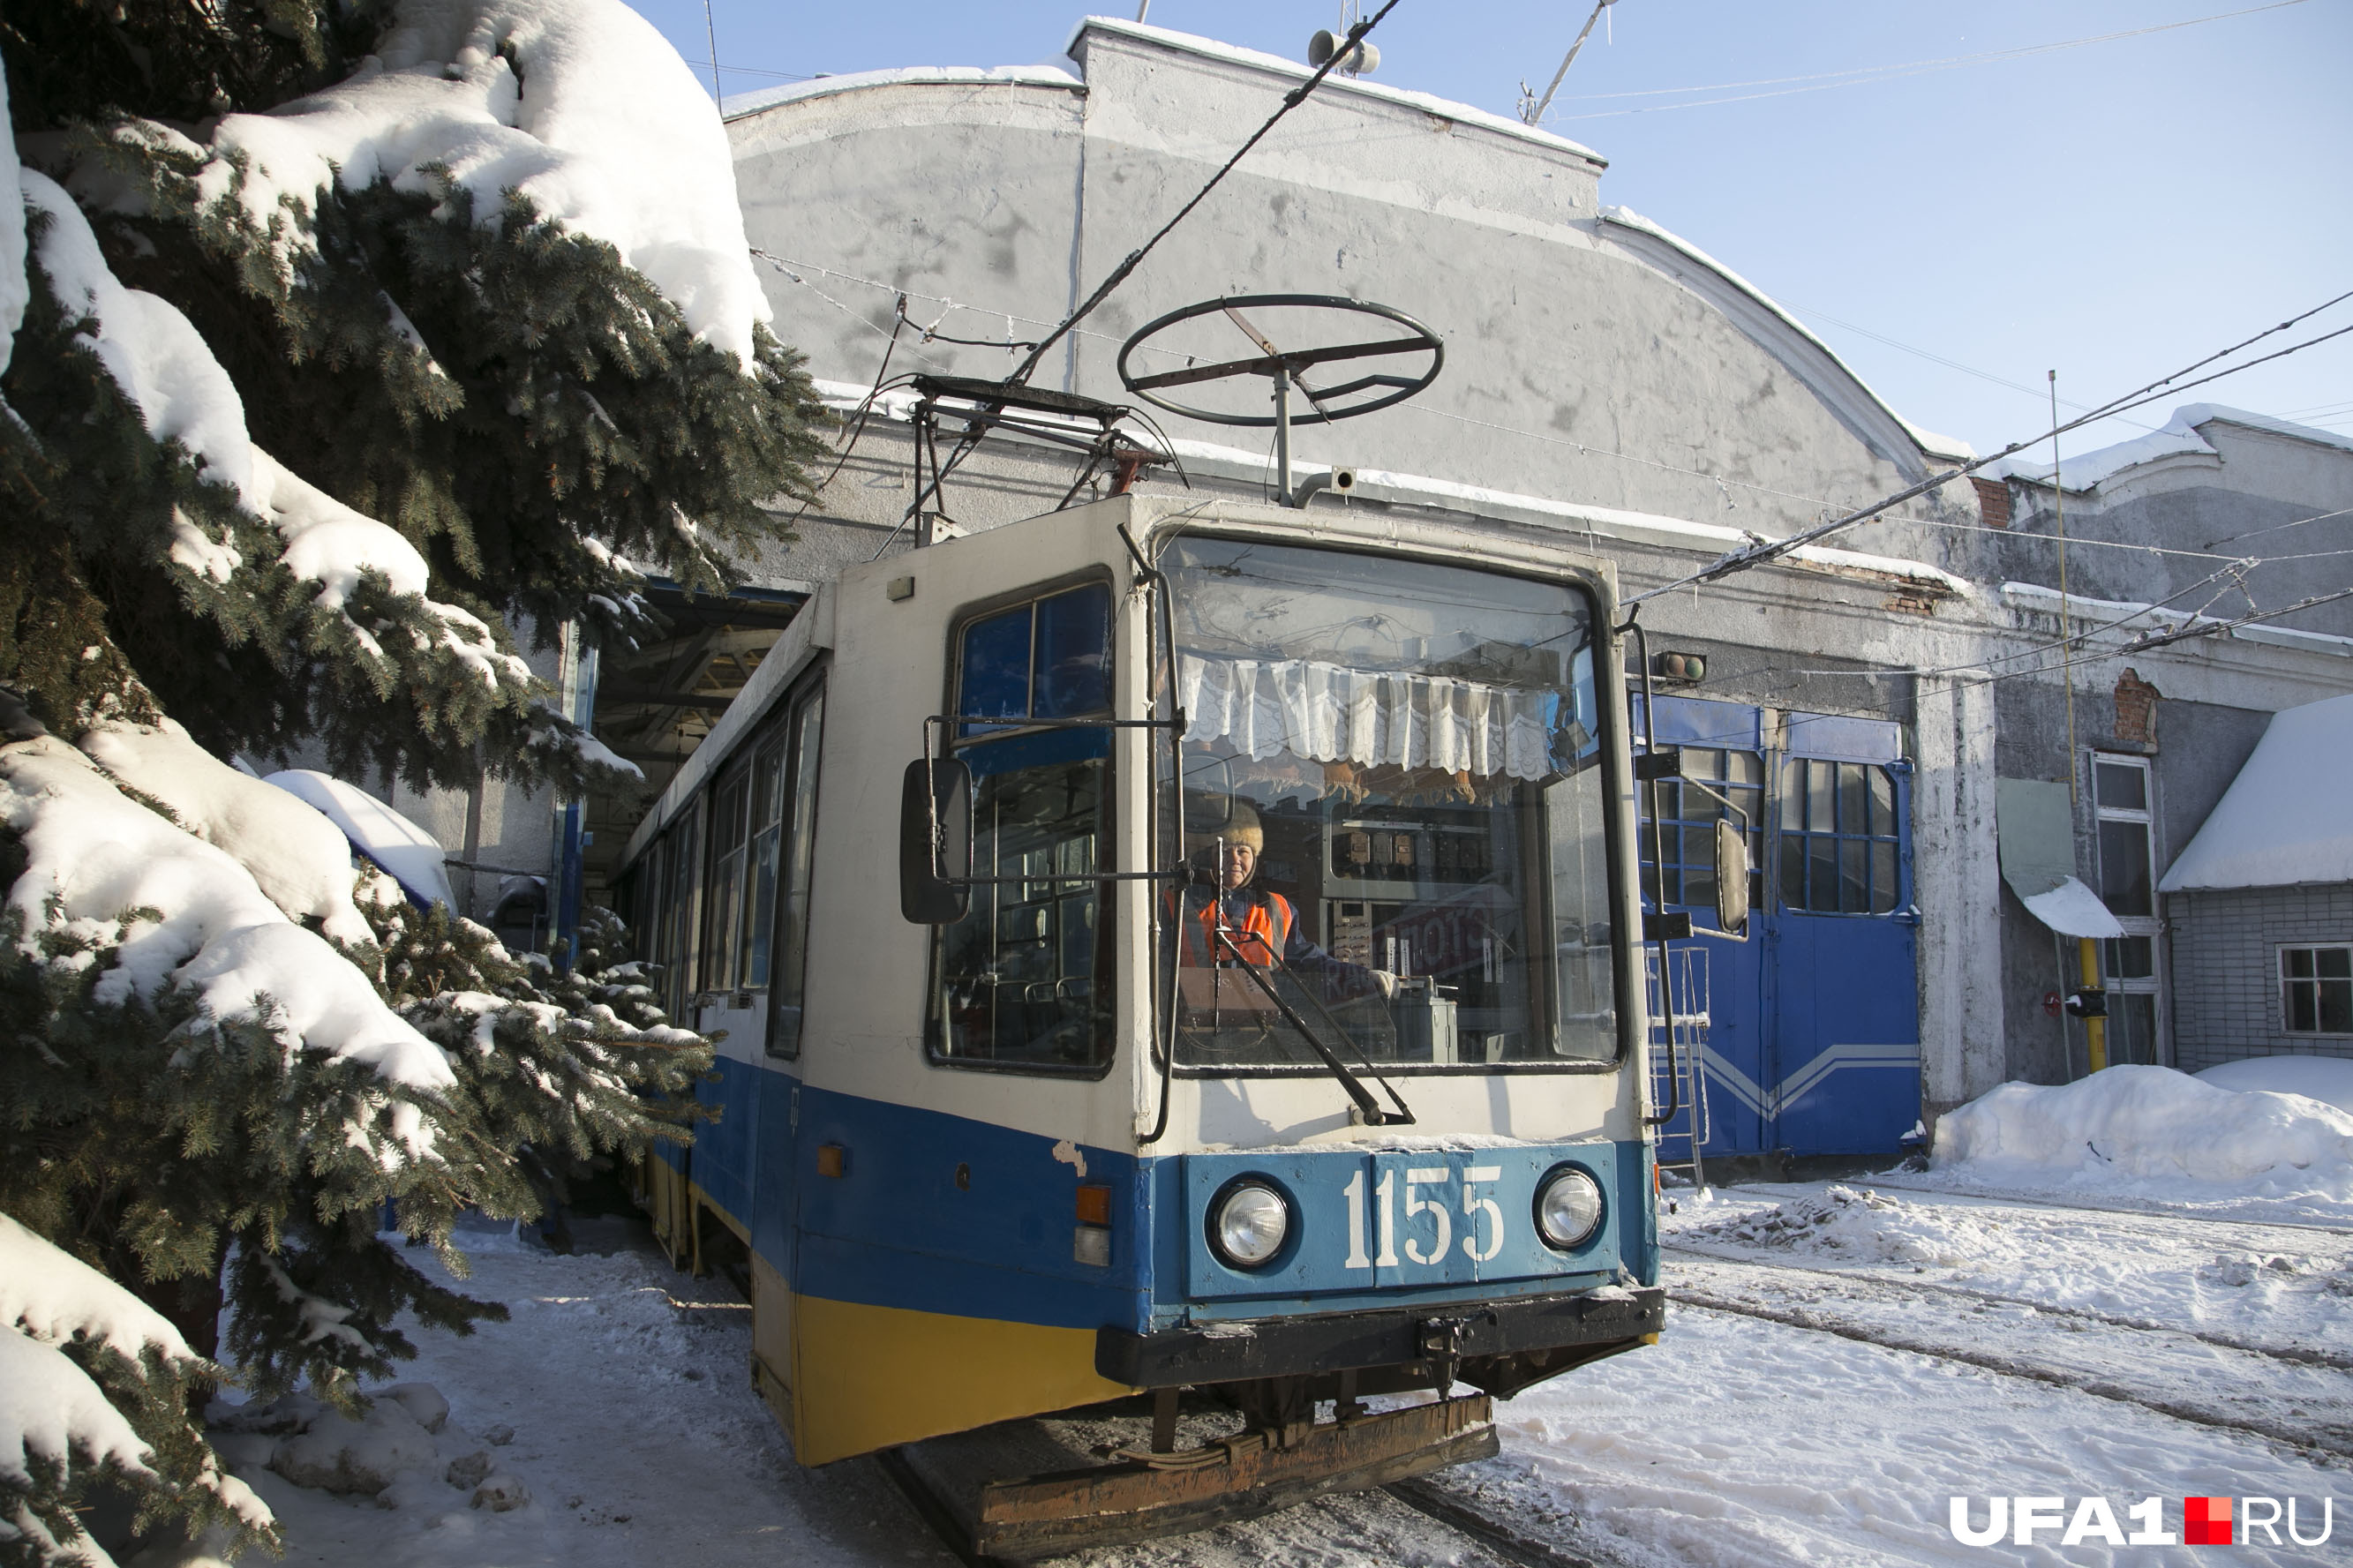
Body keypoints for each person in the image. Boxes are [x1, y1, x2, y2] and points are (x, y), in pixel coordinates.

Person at [1179, 798, 1400, 1001]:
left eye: (1243, 851)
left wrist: (1362, 977)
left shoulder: (1278, 910)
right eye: (1225, 850)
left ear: (1254, 858)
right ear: (1208, 855)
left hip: (1265, 1030)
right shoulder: (1178, 902)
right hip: (1194, 1028)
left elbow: (1310, 963)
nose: (1235, 859)